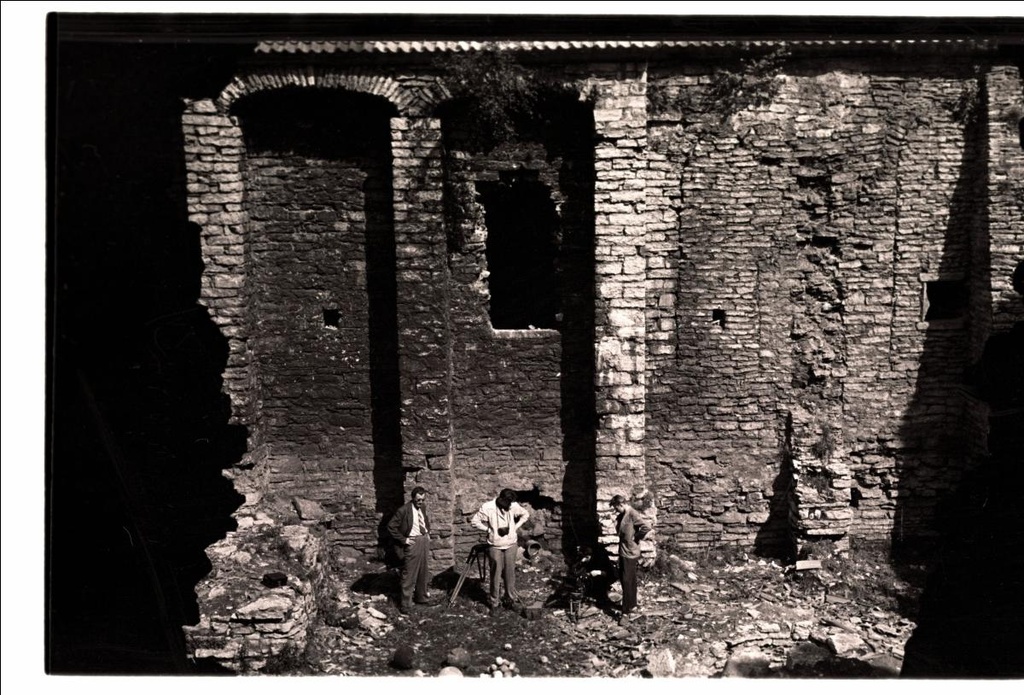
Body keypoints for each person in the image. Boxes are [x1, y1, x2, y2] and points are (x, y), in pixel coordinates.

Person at [471, 488, 530, 612]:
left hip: (511, 544)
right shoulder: (488, 507)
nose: (509, 506)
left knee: (510, 573)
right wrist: (488, 530)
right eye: (507, 503)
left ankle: (510, 599)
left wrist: (515, 527)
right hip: (495, 545)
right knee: (496, 573)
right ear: (501, 499)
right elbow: (474, 521)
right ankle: (494, 602)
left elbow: (525, 514)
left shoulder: (513, 505)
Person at [387, 487, 439, 615]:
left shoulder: (423, 507)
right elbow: (391, 526)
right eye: (418, 500)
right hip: (413, 542)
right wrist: (404, 540)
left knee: (423, 570)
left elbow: (425, 520)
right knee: (409, 573)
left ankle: (422, 598)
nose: (420, 502)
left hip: (423, 540)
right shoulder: (404, 510)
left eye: (422, 500)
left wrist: (427, 532)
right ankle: (406, 604)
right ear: (413, 498)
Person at [610, 494, 652, 625]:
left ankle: (626, 611)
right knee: (627, 579)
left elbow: (646, 527)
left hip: (630, 552)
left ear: (621, 504)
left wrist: (636, 537)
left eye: (616, 508)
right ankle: (632, 604)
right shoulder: (622, 515)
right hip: (623, 551)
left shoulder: (632, 514)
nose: (615, 510)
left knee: (627, 580)